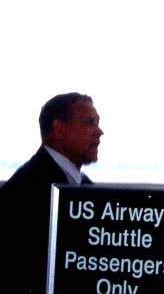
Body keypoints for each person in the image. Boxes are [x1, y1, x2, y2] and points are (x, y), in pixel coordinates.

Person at [0, 92, 104, 294]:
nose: (99, 132)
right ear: (58, 129)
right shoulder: (27, 190)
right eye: (90, 123)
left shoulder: (82, 185)